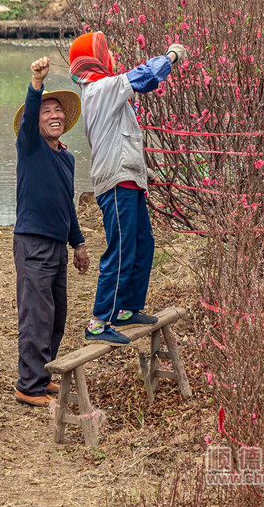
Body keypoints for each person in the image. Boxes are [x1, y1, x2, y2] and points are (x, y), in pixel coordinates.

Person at [68, 31, 186, 346]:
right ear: (94, 59)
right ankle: (97, 323)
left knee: (143, 244)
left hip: (129, 179)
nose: (109, 55)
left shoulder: (105, 92)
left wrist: (144, 174)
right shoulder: (100, 89)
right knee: (120, 250)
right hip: (116, 182)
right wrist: (171, 56)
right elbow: (146, 76)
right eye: (103, 51)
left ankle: (125, 310)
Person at [12, 56, 90, 407]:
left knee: (57, 314)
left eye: (57, 111)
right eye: (46, 112)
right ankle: (28, 386)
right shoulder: (30, 148)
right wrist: (36, 84)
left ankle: (42, 375)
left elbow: (66, 204)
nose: (53, 116)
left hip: (58, 246)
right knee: (35, 313)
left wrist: (79, 243)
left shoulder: (67, 158)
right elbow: (29, 119)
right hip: (33, 242)